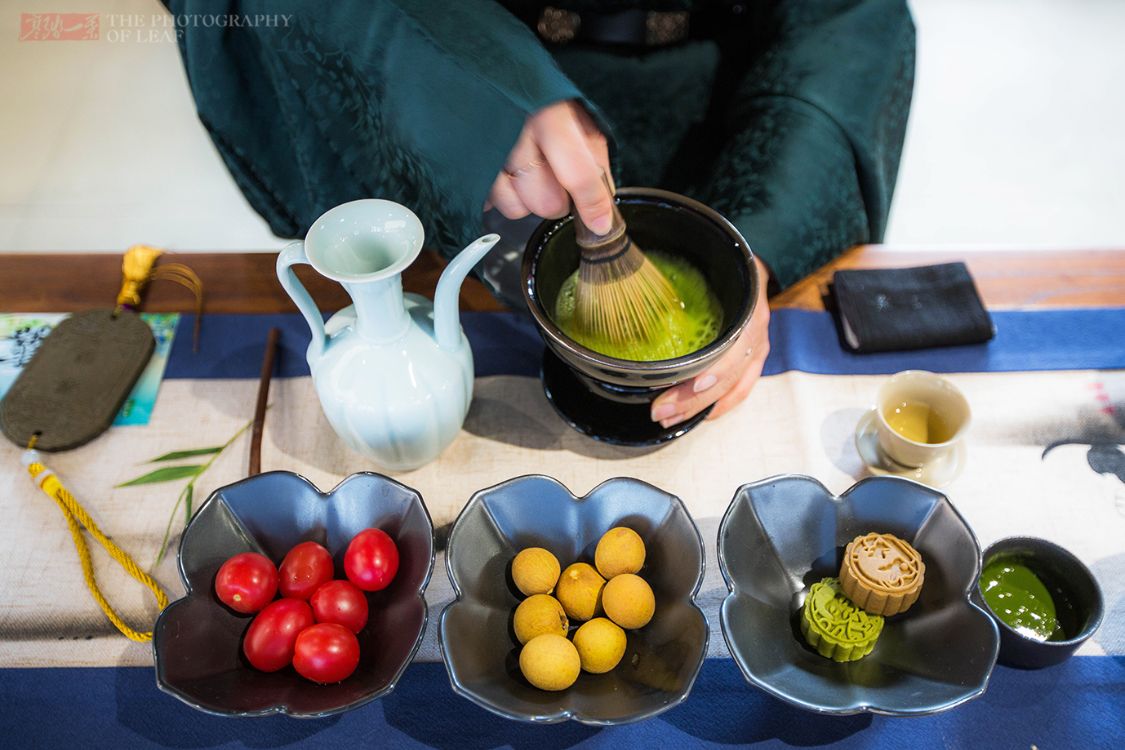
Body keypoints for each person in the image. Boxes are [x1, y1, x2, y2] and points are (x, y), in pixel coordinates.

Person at [165, 0, 914, 427]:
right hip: (455, 94)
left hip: (726, 99)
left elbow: (848, 17)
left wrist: (759, 232)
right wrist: (462, 77)